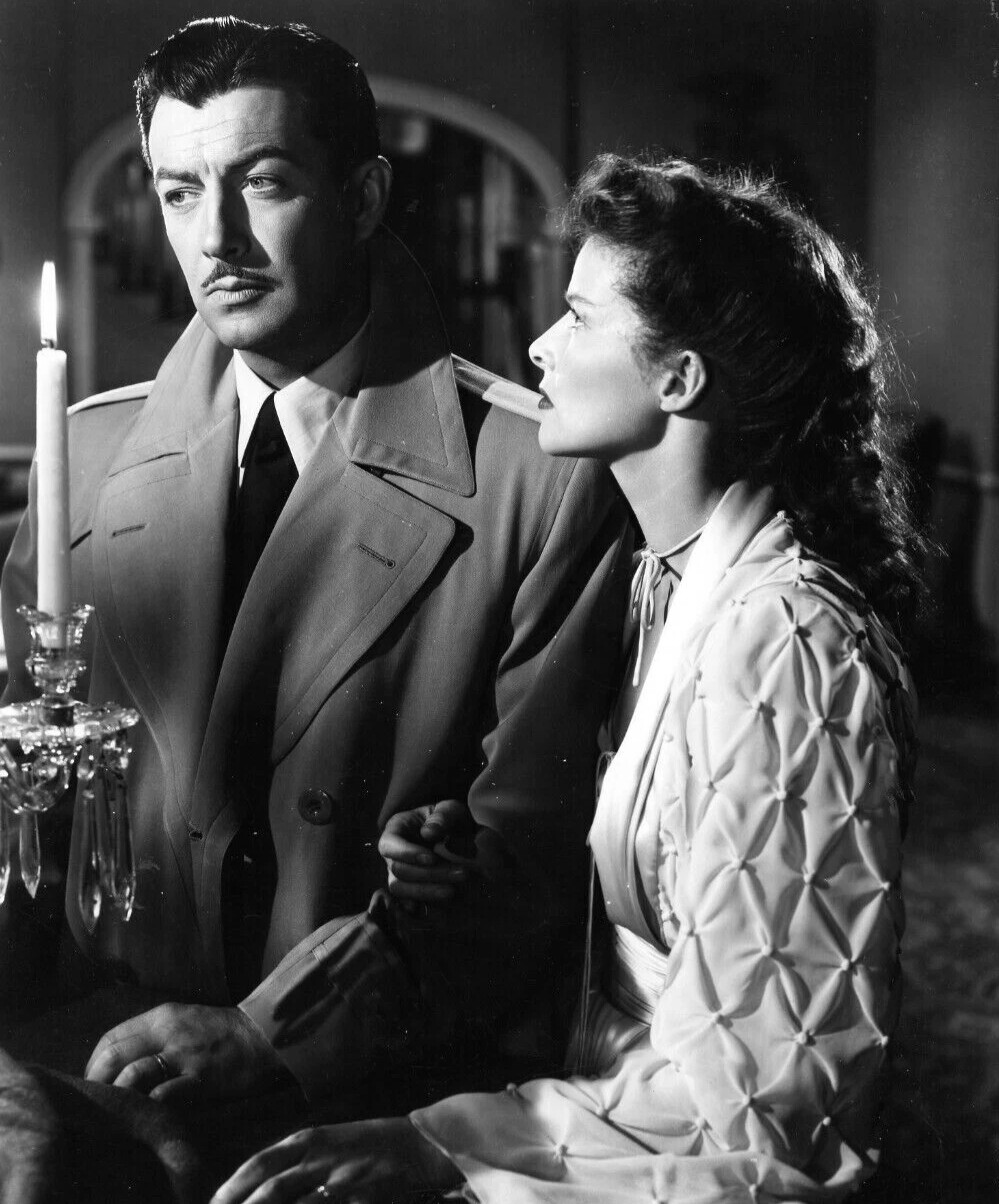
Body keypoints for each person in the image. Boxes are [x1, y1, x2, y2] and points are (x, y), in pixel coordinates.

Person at [213, 153, 923, 1203]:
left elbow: (768, 1106)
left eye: (581, 319)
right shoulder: (661, 582)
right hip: (602, 1098)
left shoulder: (785, 639)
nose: (541, 345)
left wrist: (445, 1143)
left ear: (678, 380)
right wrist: (458, 857)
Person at [0, 17, 629, 1118]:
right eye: (180, 192)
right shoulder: (87, 457)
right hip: (101, 1046)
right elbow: (18, 792)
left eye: (265, 183)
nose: (217, 240)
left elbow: (527, 856)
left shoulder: (537, 477)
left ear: (365, 195)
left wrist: (276, 1029)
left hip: (373, 1085)